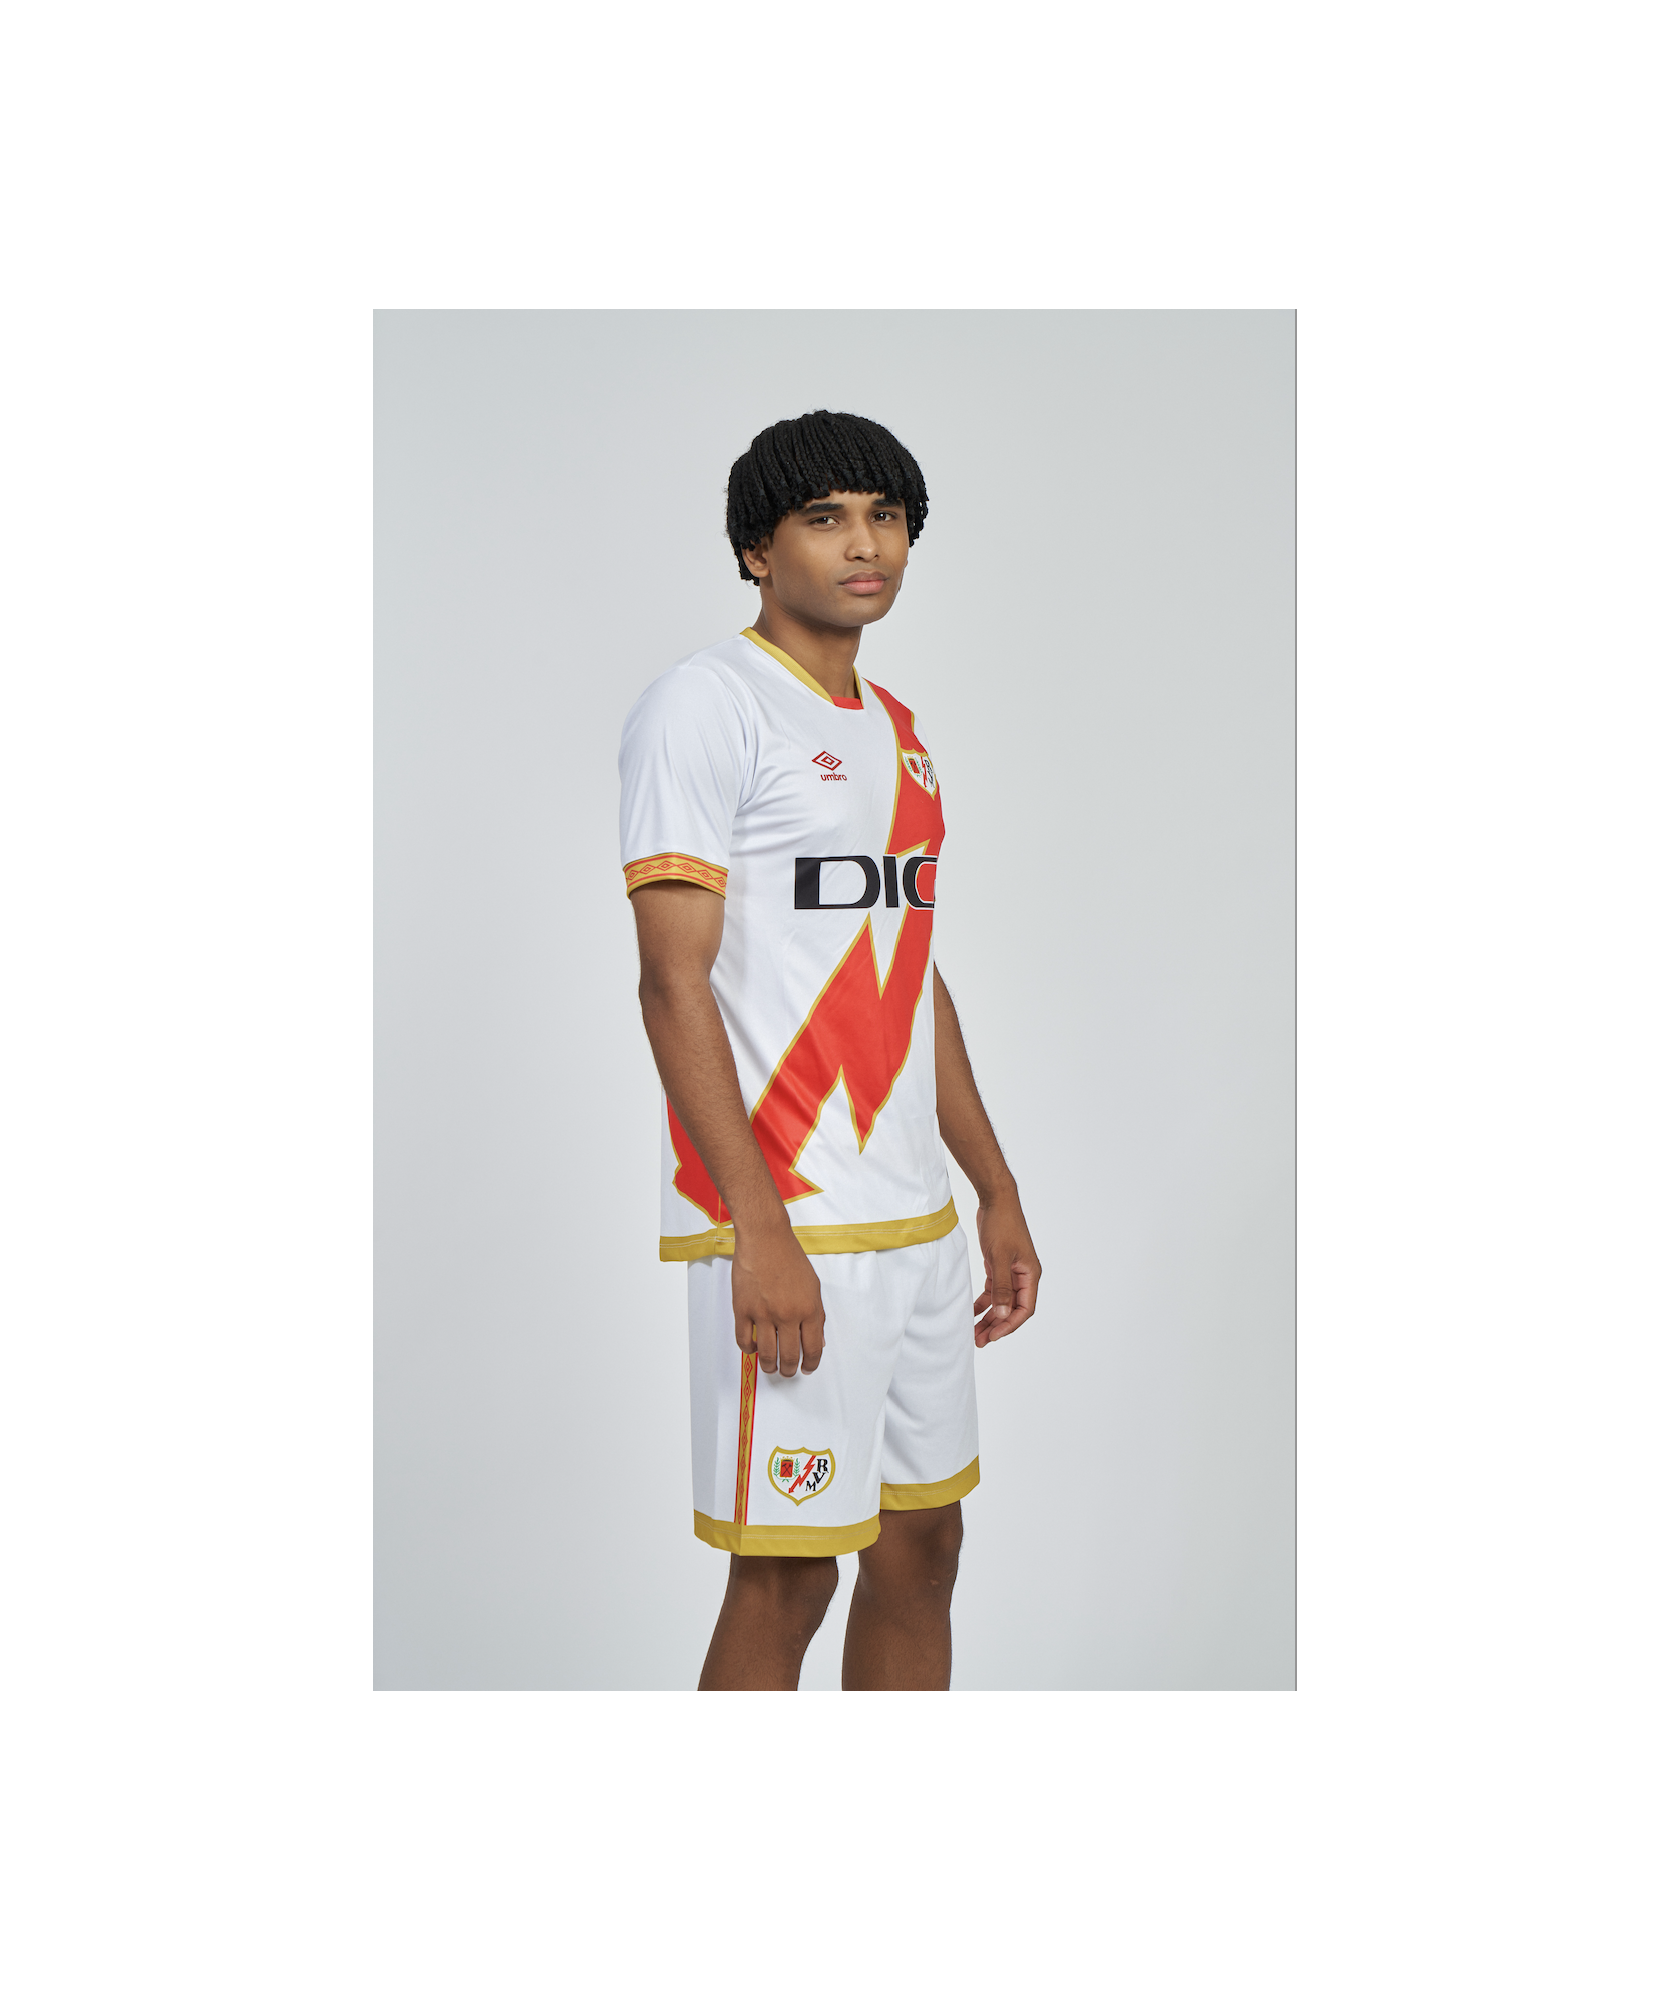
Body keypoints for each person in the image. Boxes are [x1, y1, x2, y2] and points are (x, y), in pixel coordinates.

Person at [618, 409, 1040, 1690]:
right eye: (824, 519)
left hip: (915, 1223)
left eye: (885, 517)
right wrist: (757, 1228)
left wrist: (993, 1185)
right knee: (787, 1573)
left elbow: (906, 973)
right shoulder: (704, 705)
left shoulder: (896, 727)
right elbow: (669, 981)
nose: (865, 544)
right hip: (789, 1218)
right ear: (757, 550)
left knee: (924, 1545)